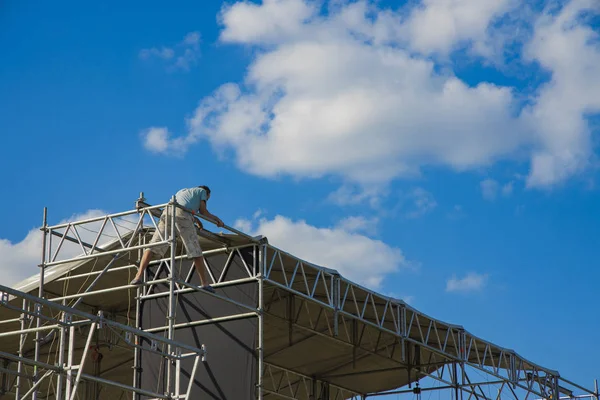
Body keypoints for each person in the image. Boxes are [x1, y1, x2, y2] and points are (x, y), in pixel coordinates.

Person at [130, 185, 224, 293]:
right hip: (182, 216)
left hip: (167, 213)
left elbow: (183, 207)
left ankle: (138, 276)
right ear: (207, 194)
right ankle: (205, 283)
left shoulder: (183, 191)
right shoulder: (202, 191)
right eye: (207, 199)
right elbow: (203, 211)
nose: (205, 200)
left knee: (153, 246)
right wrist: (217, 220)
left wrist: (196, 219)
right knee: (195, 251)